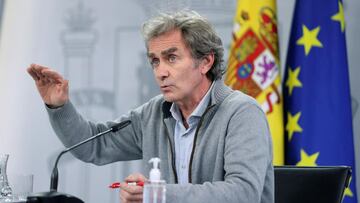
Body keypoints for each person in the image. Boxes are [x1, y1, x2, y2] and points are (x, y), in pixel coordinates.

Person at [27, 10, 273, 203]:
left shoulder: (242, 113)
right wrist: (58, 105)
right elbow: (94, 145)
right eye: (155, 61)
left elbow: (243, 194)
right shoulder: (154, 114)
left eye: (171, 58)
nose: (160, 72)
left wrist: (158, 194)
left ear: (205, 62)